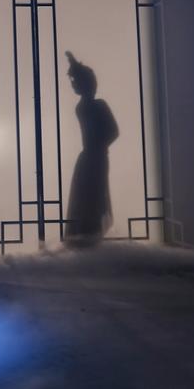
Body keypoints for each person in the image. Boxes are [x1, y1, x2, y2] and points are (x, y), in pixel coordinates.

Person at [63, 52, 120, 246]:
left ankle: (88, 237)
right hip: (93, 157)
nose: (73, 85)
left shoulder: (91, 106)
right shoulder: (88, 105)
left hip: (93, 157)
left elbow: (113, 132)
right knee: (90, 198)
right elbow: (113, 132)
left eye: (75, 81)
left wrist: (98, 148)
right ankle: (87, 237)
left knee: (90, 197)